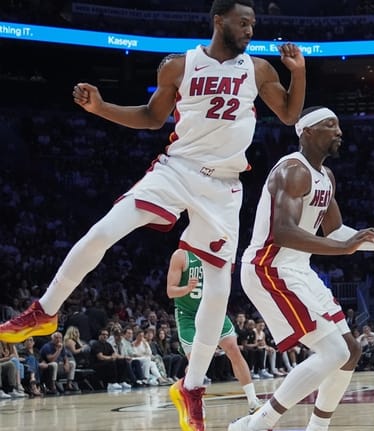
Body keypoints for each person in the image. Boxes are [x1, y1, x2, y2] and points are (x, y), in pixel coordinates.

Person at [0, 0, 305, 429]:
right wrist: (101, 108)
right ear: (219, 21)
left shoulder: (258, 70)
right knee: (103, 231)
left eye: (254, 22)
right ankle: (45, 310)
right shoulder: (179, 66)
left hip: (224, 187)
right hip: (177, 170)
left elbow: (291, 114)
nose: (251, 29)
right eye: (243, 21)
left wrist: (299, 71)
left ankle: (191, 387)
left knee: (218, 291)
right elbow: (151, 117)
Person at [228, 106, 374, 431]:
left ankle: (317, 427)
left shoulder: (326, 176)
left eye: (338, 125)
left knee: (350, 350)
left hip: (297, 270)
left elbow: (335, 232)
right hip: (269, 268)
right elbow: (283, 231)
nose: (339, 131)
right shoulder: (293, 171)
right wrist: (344, 248)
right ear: (307, 131)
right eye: (330, 125)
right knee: (333, 351)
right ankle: (258, 424)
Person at [167, 248, 263, 414]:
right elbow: (170, 291)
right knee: (195, 363)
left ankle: (253, 401)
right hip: (188, 316)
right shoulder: (181, 255)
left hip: (213, 311)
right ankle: (195, 405)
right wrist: (186, 289)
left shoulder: (219, 252)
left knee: (234, 350)